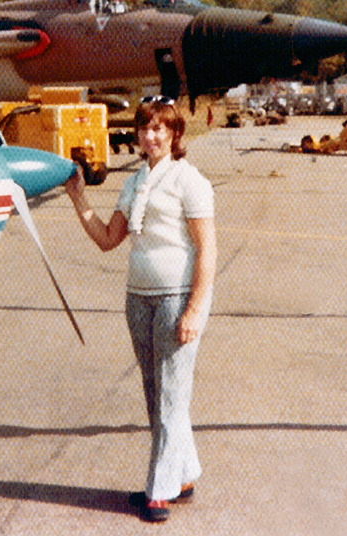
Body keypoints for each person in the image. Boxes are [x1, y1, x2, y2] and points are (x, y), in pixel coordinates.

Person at [64, 95, 217, 523]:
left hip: (176, 297)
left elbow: (207, 251)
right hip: (138, 299)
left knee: (171, 396)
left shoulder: (190, 181)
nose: (150, 136)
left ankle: (159, 490)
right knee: (158, 396)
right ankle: (182, 474)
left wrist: (193, 311)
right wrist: (79, 198)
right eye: (144, 129)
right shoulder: (133, 183)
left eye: (159, 129)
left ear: (174, 135)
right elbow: (108, 238)